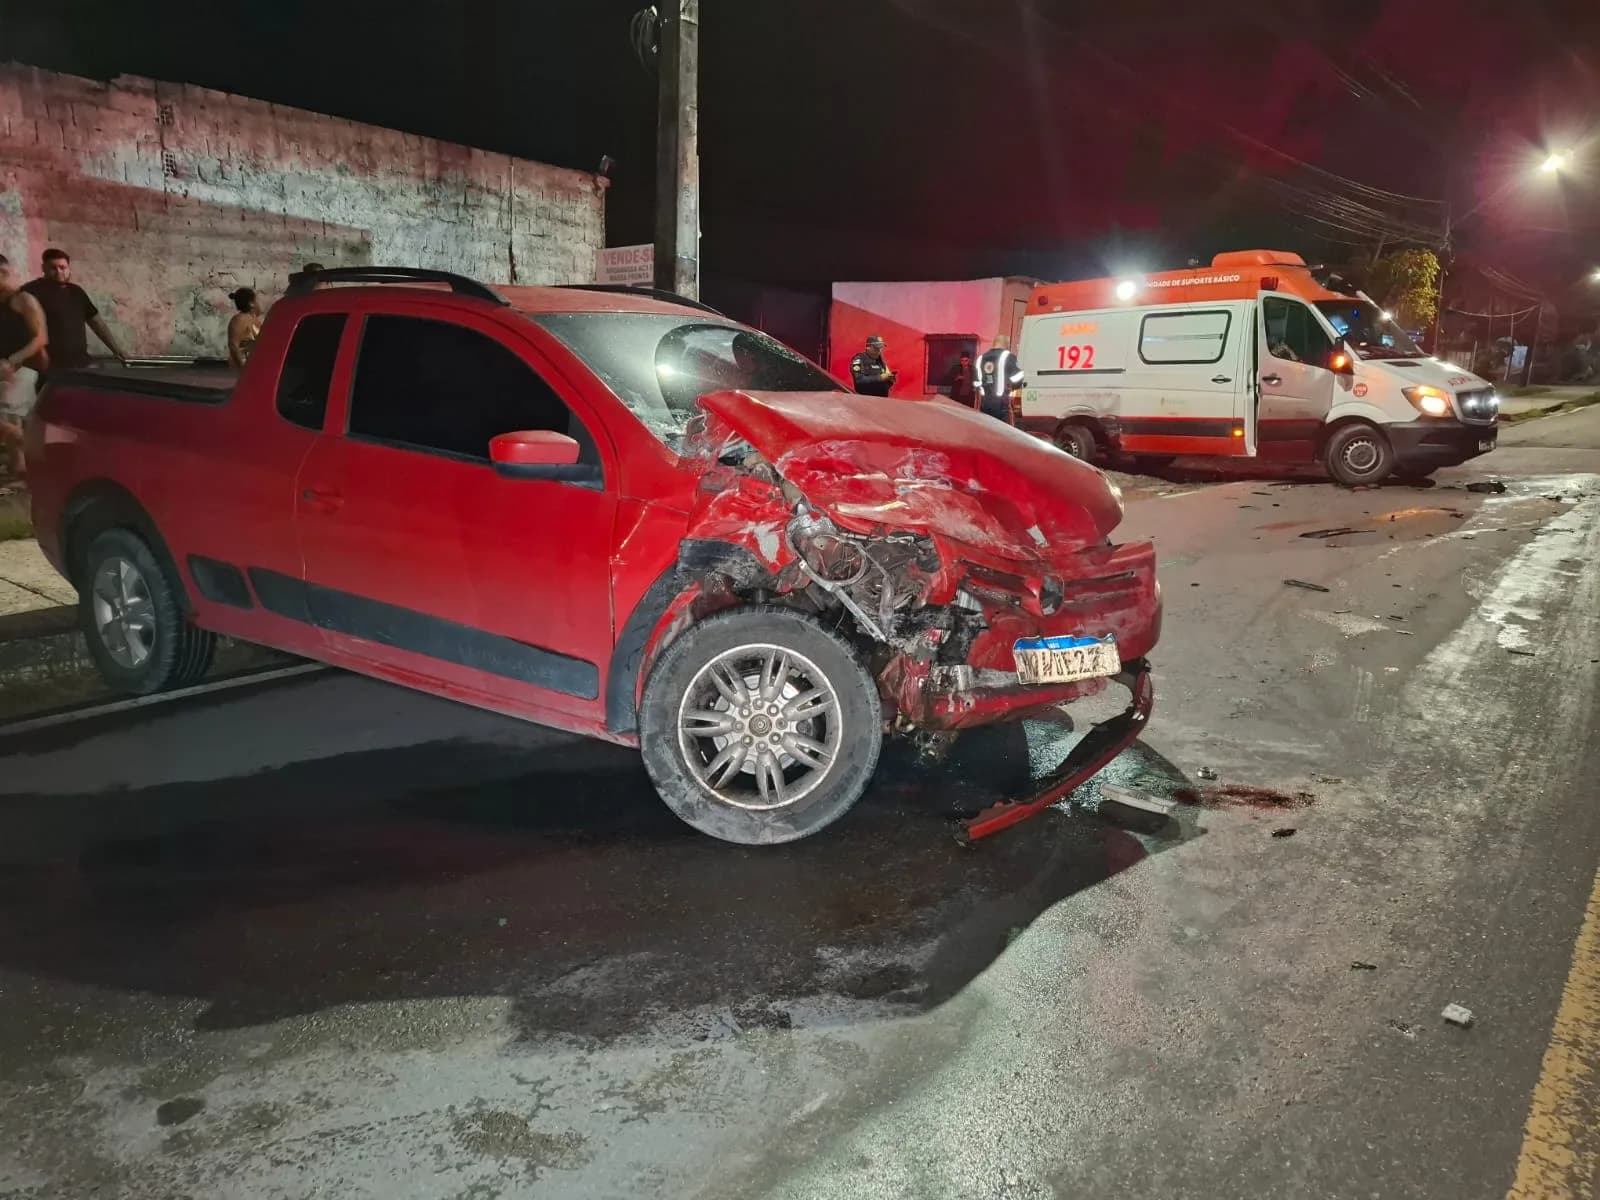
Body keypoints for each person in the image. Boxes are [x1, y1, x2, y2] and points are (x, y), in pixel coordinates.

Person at [21, 248, 126, 370]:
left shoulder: (77, 292)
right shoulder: (31, 291)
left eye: (62, 267)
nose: (59, 272)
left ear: (68, 268)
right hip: (47, 367)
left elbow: (96, 322)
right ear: (43, 268)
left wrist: (116, 350)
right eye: (53, 268)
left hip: (80, 363)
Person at [0, 255, 49, 480]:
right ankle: (20, 466)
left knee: (8, 415)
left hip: (25, 367)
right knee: (12, 419)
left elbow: (40, 338)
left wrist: (12, 361)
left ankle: (44, 458)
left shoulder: (23, 300)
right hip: (6, 369)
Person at [977, 335, 1025, 424]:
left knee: (987, 430)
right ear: (1006, 344)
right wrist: (1013, 387)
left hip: (984, 403)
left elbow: (977, 382)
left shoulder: (981, 358)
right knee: (1006, 432)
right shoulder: (1007, 356)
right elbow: (1017, 377)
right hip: (1001, 405)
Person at [226, 287, 263, 368]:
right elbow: (233, 345)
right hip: (246, 367)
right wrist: (243, 368)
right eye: (257, 300)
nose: (259, 303)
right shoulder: (239, 320)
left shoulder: (255, 319)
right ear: (251, 304)